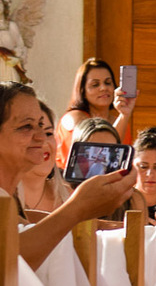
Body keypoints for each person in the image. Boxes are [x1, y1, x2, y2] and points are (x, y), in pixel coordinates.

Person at [1, 81, 137, 270]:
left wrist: (97, 224)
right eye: (26, 126)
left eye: (42, 126)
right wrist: (78, 209)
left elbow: (24, 226)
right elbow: (9, 262)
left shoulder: (9, 196)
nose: (41, 137)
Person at [55, 58, 136, 166]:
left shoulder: (120, 120)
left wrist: (124, 115)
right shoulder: (72, 118)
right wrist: (123, 116)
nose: (103, 88)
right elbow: (98, 157)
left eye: (108, 83)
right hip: (75, 182)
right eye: (95, 85)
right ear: (82, 91)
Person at [75, 118, 147, 222]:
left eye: (110, 150)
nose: (101, 155)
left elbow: (139, 236)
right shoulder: (64, 194)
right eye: (95, 149)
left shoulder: (133, 199)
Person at [16, 101, 71, 216]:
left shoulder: (68, 196)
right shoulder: (5, 197)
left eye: (48, 133)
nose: (43, 141)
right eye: (30, 132)